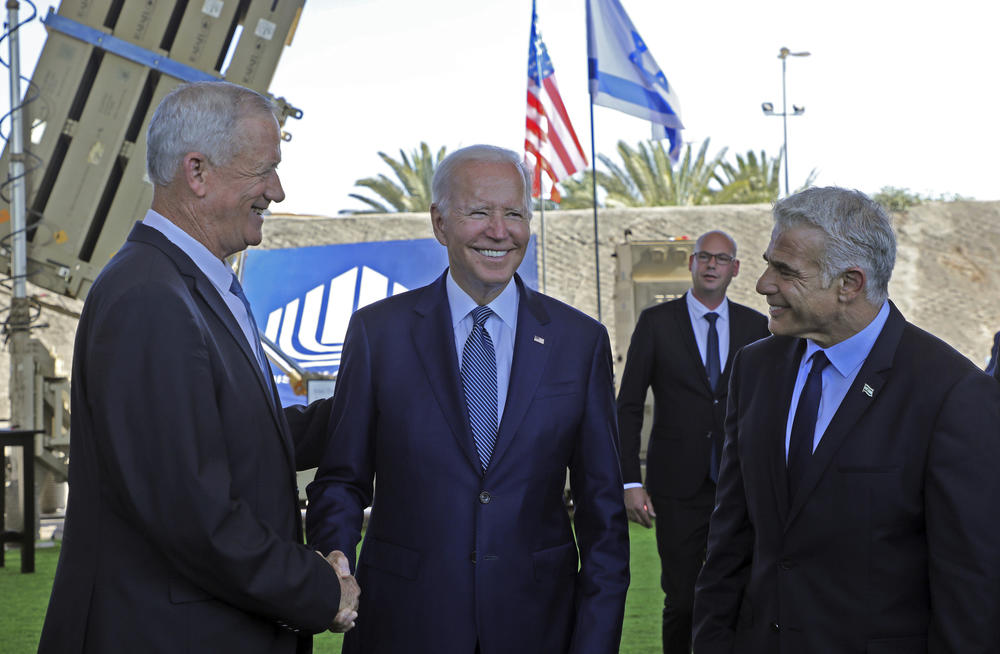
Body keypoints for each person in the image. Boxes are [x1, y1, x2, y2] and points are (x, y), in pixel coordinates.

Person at [39, 81, 359, 654]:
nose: (278, 191)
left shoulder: (185, 283)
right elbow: (190, 511)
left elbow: (235, 440)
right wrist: (319, 589)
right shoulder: (150, 299)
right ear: (197, 172)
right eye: (264, 169)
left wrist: (368, 412)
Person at [306, 145, 630, 654]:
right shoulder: (378, 333)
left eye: (515, 213)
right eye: (479, 212)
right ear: (439, 223)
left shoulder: (579, 341)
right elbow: (342, 479)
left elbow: (603, 516)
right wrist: (335, 557)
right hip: (403, 628)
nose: (499, 231)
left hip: (539, 628)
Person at [692, 186, 1000, 653]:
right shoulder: (755, 369)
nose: (761, 284)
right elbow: (730, 539)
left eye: (785, 271)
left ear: (849, 284)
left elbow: (969, 588)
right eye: (767, 262)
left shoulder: (952, 394)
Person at [617, 230, 768, 654]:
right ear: (691, 263)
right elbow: (628, 404)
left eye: (722, 259)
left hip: (741, 486)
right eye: (704, 256)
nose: (712, 265)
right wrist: (630, 481)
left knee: (740, 597)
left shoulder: (758, 327)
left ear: (735, 269)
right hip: (678, 487)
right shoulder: (656, 323)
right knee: (682, 601)